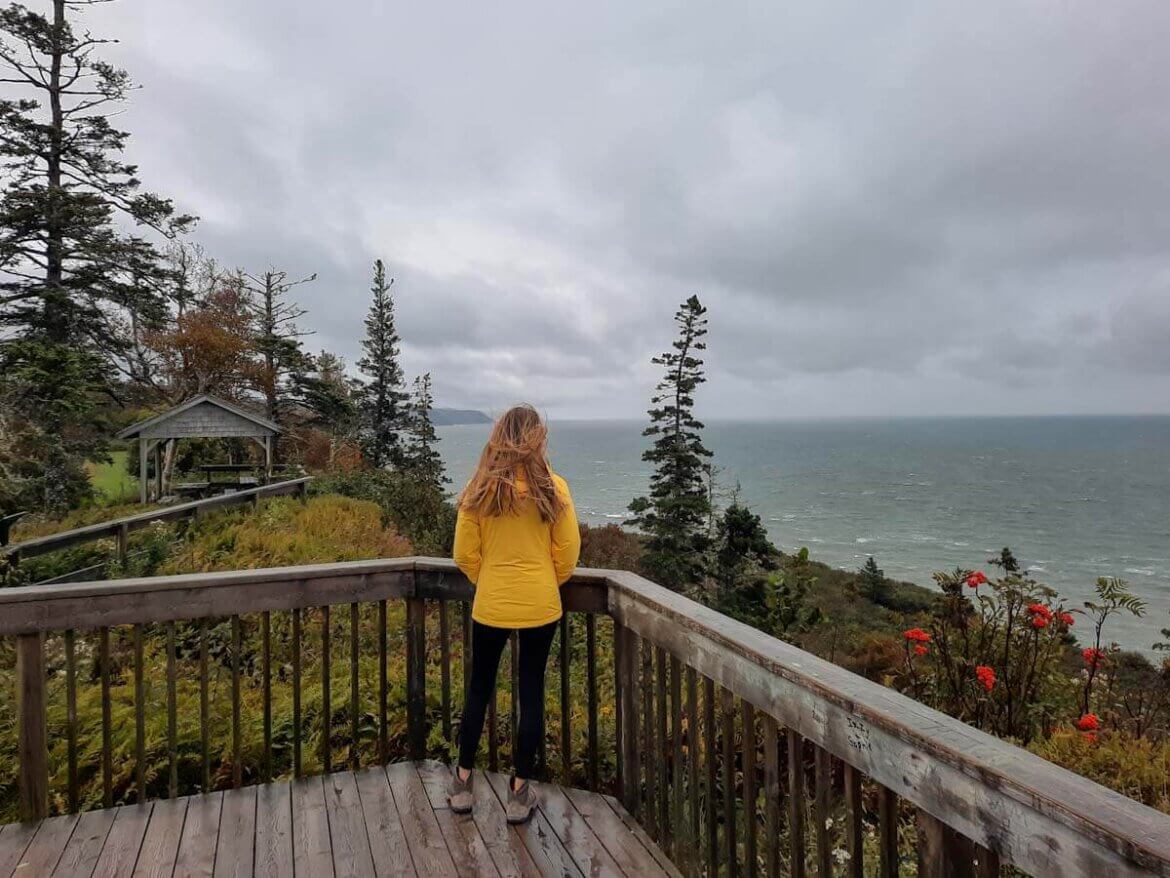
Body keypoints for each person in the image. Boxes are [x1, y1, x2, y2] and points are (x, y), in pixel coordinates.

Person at [448, 404, 581, 823]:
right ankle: (519, 793)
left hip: (490, 604)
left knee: (478, 690)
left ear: (499, 436)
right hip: (541, 604)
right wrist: (544, 580)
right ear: (538, 437)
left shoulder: (479, 489)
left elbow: (463, 555)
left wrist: (488, 579)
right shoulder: (554, 489)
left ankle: (463, 783)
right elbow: (568, 554)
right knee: (531, 692)